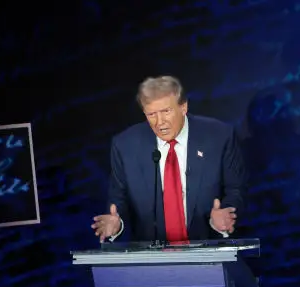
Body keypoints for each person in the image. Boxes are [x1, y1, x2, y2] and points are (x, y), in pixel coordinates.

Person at [92, 76, 246, 243]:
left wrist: (224, 216)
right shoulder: (125, 146)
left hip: (210, 250)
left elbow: (235, 189)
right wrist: (117, 224)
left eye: (166, 111)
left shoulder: (218, 137)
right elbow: (118, 201)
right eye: (151, 114)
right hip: (151, 259)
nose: (160, 122)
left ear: (183, 107)